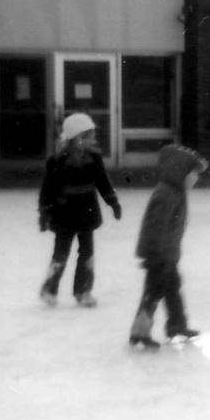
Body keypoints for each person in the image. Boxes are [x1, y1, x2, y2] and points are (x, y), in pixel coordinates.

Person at [128, 145, 209, 350]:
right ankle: (140, 332)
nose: (195, 179)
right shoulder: (167, 195)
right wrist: (156, 255)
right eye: (193, 175)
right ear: (181, 172)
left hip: (168, 255)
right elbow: (155, 227)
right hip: (159, 255)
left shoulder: (176, 192)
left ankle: (177, 326)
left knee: (173, 290)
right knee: (153, 293)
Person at [37, 113, 122, 307]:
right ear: (75, 138)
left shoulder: (94, 158)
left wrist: (113, 202)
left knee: (87, 252)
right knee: (61, 252)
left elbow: (102, 182)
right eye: (87, 136)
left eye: (92, 136)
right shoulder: (57, 160)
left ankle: (83, 290)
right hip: (64, 212)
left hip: (87, 211)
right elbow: (48, 189)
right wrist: (44, 212)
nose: (91, 140)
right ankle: (49, 288)